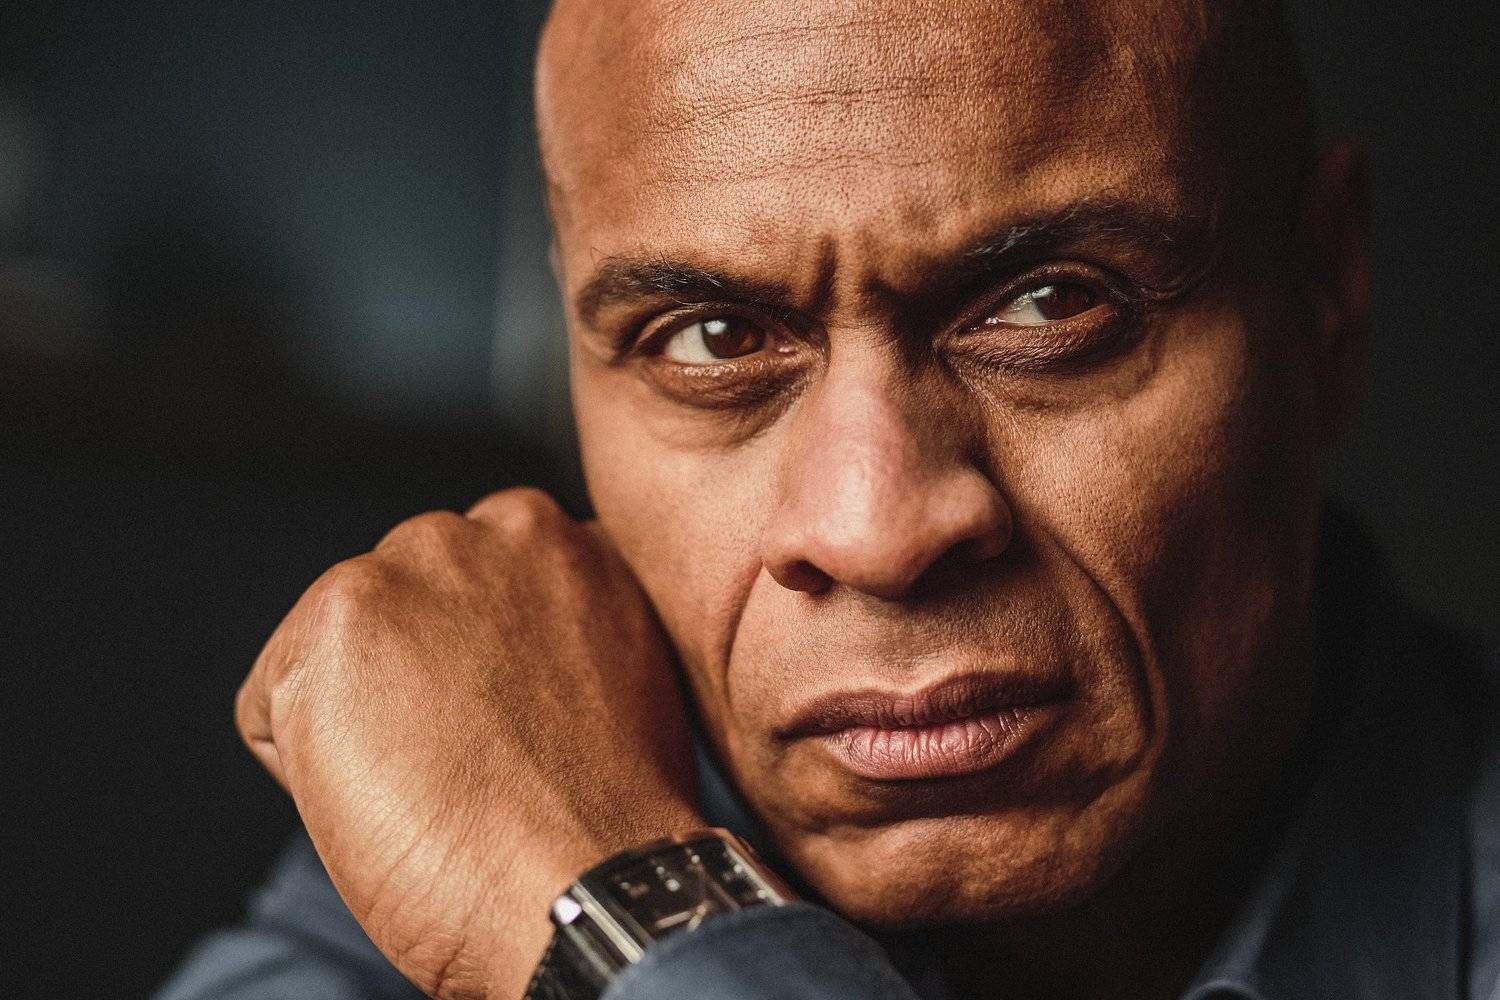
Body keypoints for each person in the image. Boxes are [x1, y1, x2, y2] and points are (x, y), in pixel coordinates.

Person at [156, 1, 1499, 998]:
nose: (876, 531)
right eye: (714, 338)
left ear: (1325, 297)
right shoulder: (506, 819)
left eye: (1049, 305)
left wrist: (635, 930)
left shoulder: (563, 885)